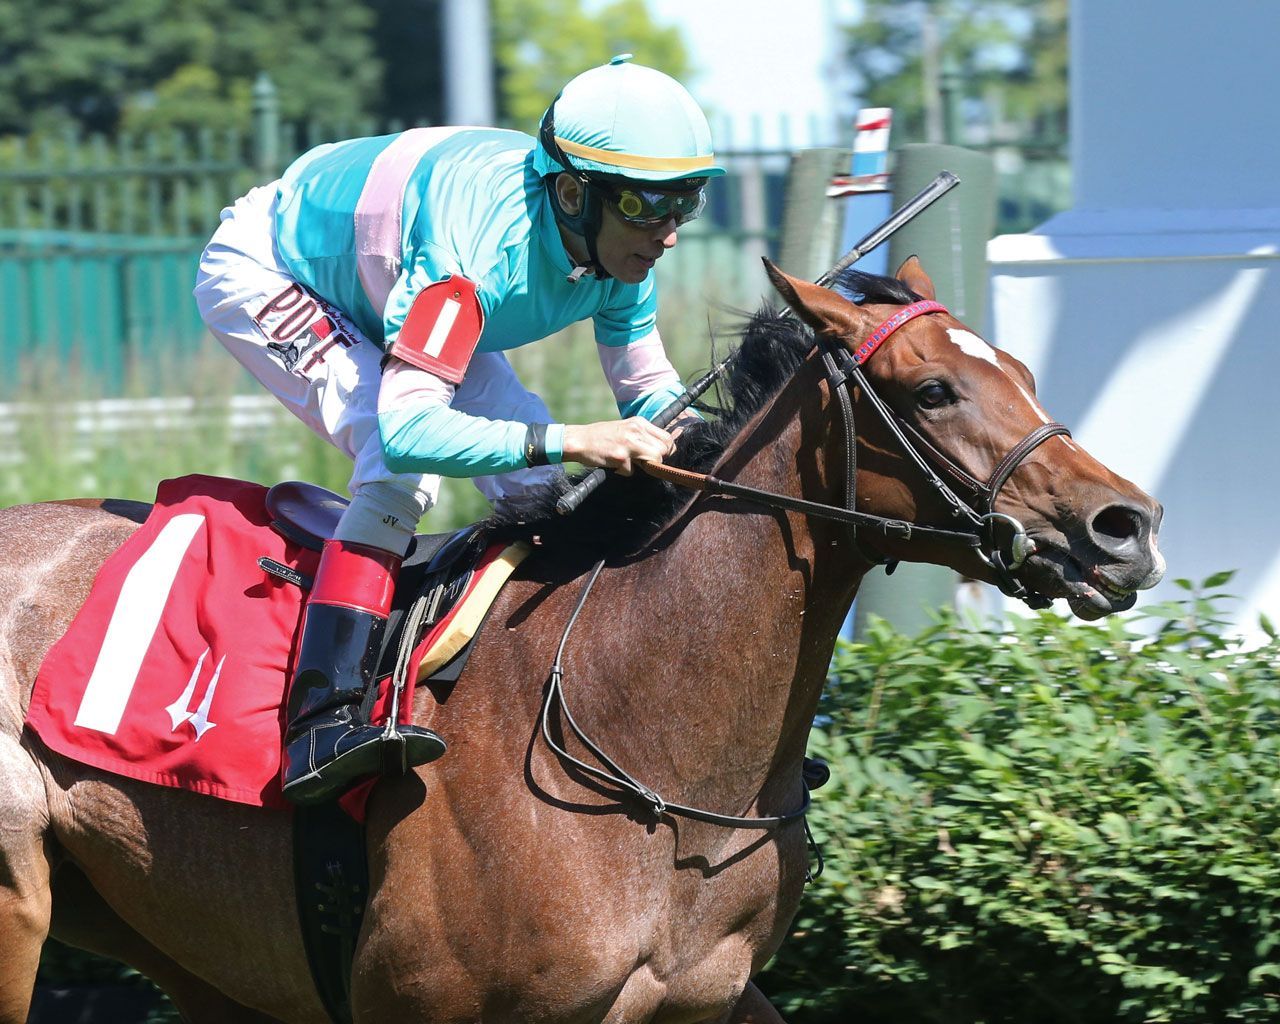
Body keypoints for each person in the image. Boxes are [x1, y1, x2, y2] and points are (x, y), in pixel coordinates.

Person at [193, 55, 724, 805]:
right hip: (276, 267)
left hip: (393, 283)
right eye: (647, 206)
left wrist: (718, 446)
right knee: (399, 467)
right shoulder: (475, 255)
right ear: (574, 194)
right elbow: (409, 430)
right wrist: (579, 437)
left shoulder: (621, 251)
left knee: (542, 485)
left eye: (685, 205)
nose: (667, 235)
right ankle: (322, 721)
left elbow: (647, 390)